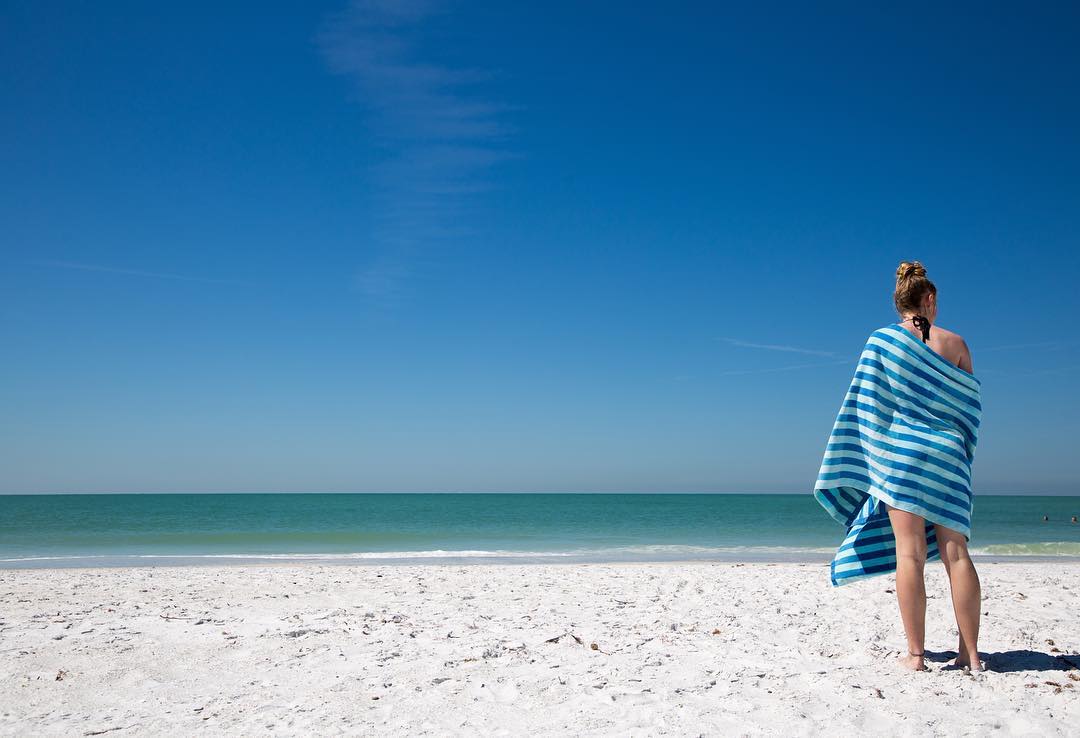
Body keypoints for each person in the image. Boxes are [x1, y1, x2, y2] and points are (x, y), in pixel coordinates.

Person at [814, 261, 984, 673]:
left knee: (909, 556)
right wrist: (958, 449)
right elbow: (968, 411)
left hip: (903, 459)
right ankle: (971, 655)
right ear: (929, 300)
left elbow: (865, 404)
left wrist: (877, 455)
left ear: (901, 302)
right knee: (956, 554)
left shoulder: (880, 342)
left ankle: (916, 655)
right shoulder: (957, 344)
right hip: (947, 458)